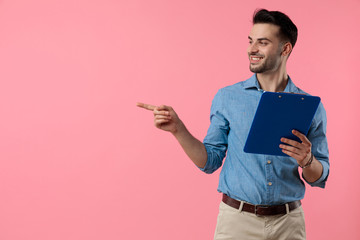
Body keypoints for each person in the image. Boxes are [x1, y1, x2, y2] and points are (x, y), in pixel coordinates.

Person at [137, 9, 329, 240]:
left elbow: (319, 176)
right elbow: (210, 161)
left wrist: (307, 160)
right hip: (237, 222)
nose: (252, 49)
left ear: (285, 48)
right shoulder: (227, 97)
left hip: (288, 224)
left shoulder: (310, 106)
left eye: (263, 42)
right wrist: (178, 129)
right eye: (250, 41)